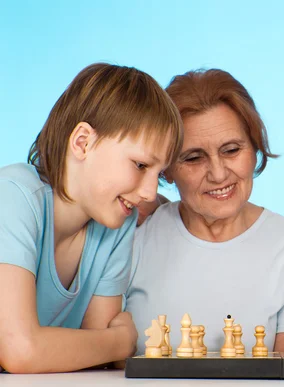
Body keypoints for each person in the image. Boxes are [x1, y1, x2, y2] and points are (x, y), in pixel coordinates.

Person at [125, 69, 284, 355]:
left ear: (255, 149)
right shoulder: (132, 237)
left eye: (232, 150)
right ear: (167, 168)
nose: (219, 174)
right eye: (194, 158)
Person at [0, 63, 183, 373]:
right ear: (83, 142)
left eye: (159, 174)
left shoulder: (116, 225)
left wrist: (105, 345)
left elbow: (97, 356)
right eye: (140, 165)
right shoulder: (13, 196)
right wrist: (120, 342)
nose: (151, 193)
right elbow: (20, 351)